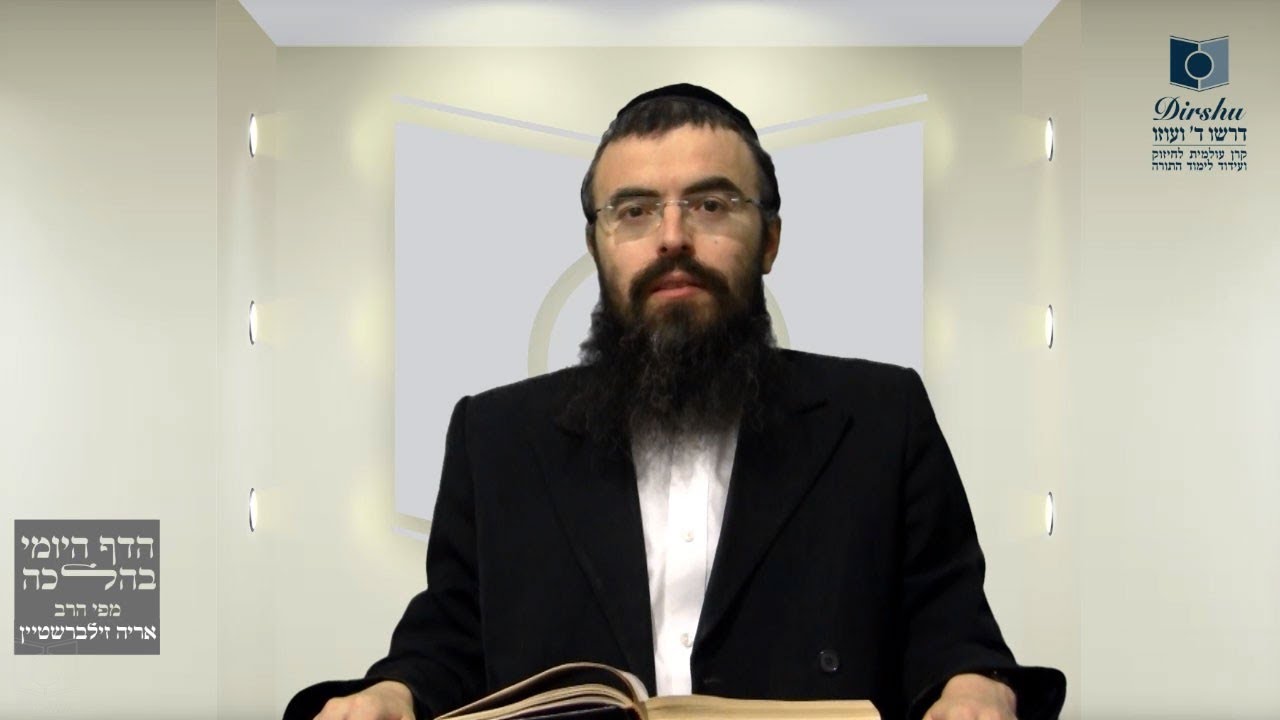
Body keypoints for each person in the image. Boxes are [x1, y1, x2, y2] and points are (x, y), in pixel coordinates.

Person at [285, 84, 1066, 720]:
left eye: (711, 204)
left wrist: (973, 686)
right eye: (633, 211)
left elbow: (948, 621)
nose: (672, 238)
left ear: (770, 240)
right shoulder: (494, 435)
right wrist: (394, 694)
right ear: (598, 246)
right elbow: (451, 634)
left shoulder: (881, 415)